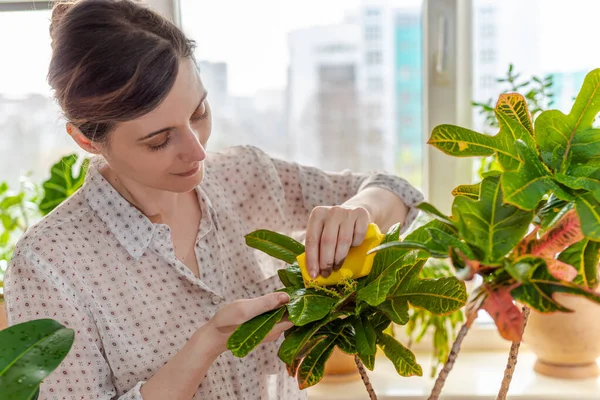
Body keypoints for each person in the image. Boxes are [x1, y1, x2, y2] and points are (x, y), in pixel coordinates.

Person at [4, 1, 424, 399]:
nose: (198, 151)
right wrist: (211, 340)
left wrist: (360, 209)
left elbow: (401, 195)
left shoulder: (243, 175)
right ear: (85, 139)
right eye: (159, 140)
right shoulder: (49, 264)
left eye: (199, 113)